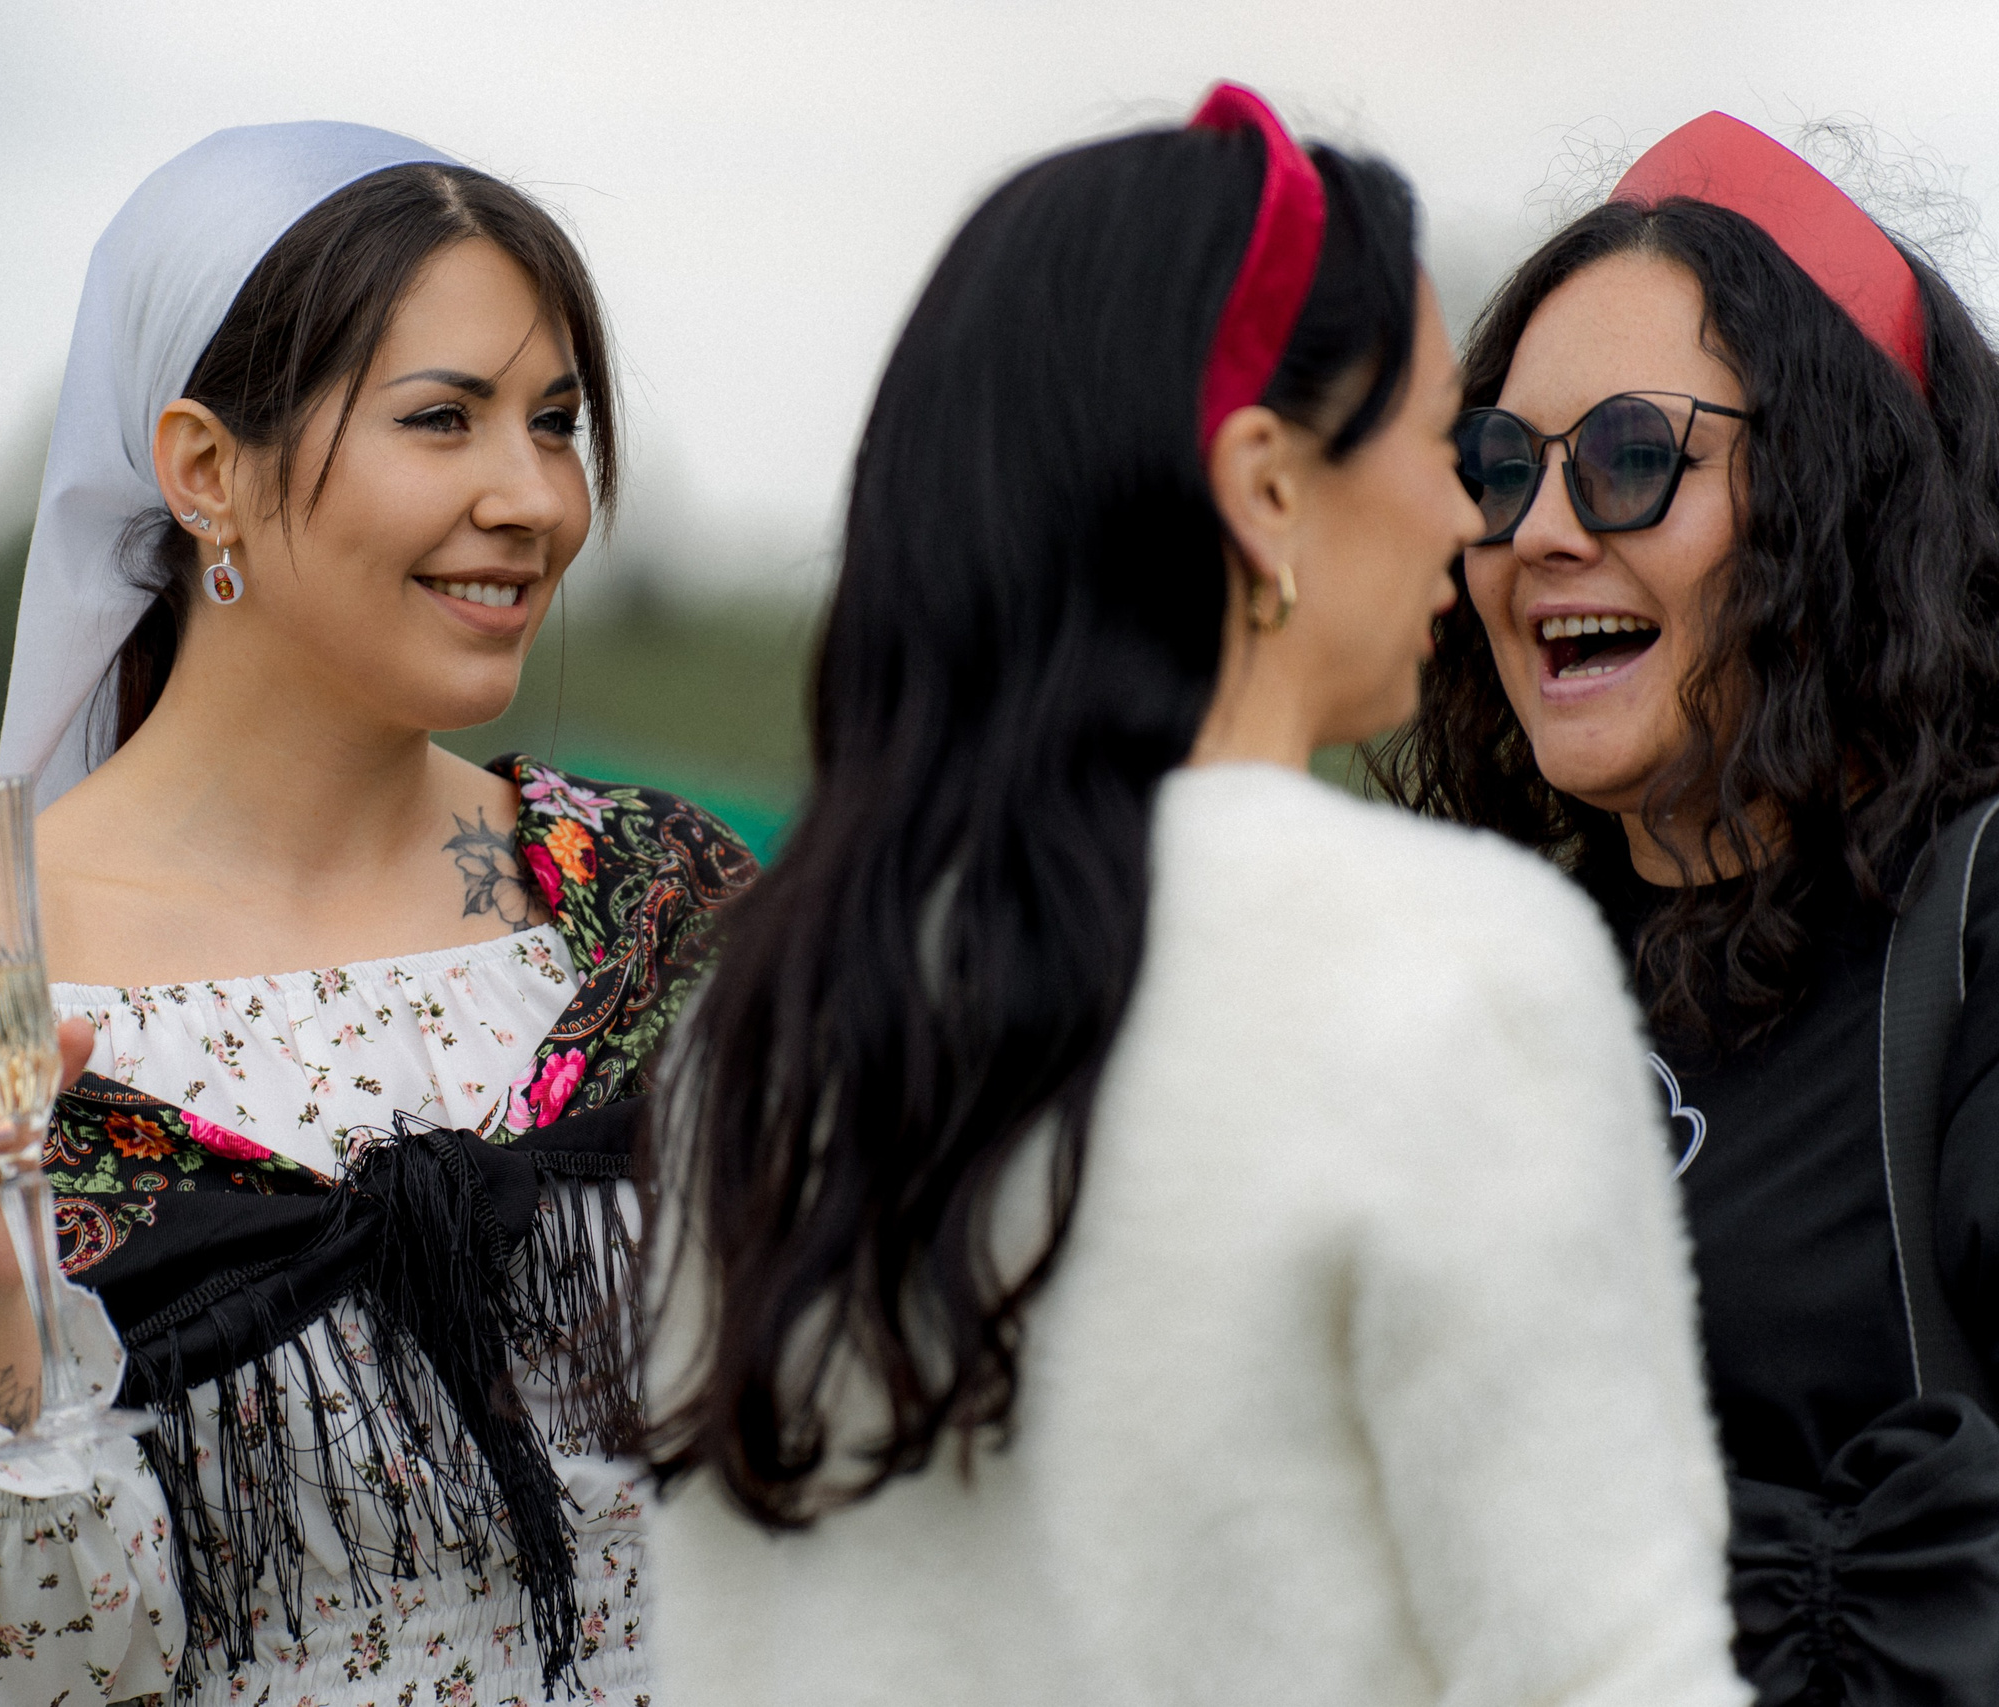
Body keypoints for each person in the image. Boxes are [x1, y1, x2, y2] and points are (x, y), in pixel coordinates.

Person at [639, 84, 1748, 1707]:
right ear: (1265, 485)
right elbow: (1608, 1674)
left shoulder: (760, 1030)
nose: (1476, 518)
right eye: (1446, 442)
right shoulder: (1446, 967)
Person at [0, 123, 755, 1707]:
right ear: (203, 470)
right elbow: (40, 1670)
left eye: (558, 422)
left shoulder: (653, 911)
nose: (531, 497)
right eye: (442, 419)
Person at [1385, 112, 1999, 1704]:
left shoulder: (1977, 936)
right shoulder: (1468, 975)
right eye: (1499, 465)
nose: (1539, 530)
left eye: (1634, 457)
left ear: (1838, 500)